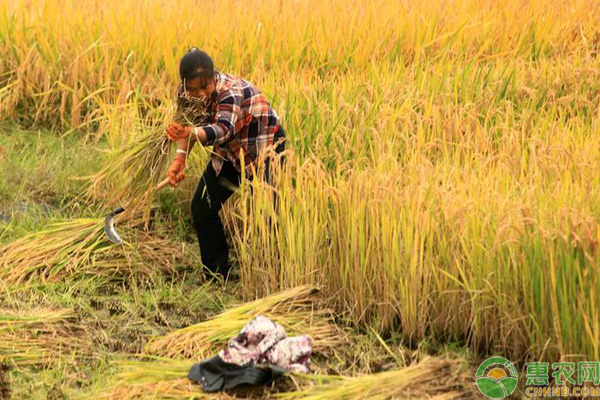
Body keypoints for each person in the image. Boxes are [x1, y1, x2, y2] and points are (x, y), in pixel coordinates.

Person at [164, 48, 285, 280]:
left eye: (205, 86)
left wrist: (190, 131)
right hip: (230, 151)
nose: (200, 93)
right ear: (184, 84)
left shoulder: (230, 92)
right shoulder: (185, 93)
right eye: (193, 88)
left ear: (213, 77)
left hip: (264, 146)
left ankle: (272, 276)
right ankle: (217, 273)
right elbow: (188, 124)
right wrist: (180, 157)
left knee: (267, 212)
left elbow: (222, 129)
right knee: (202, 207)